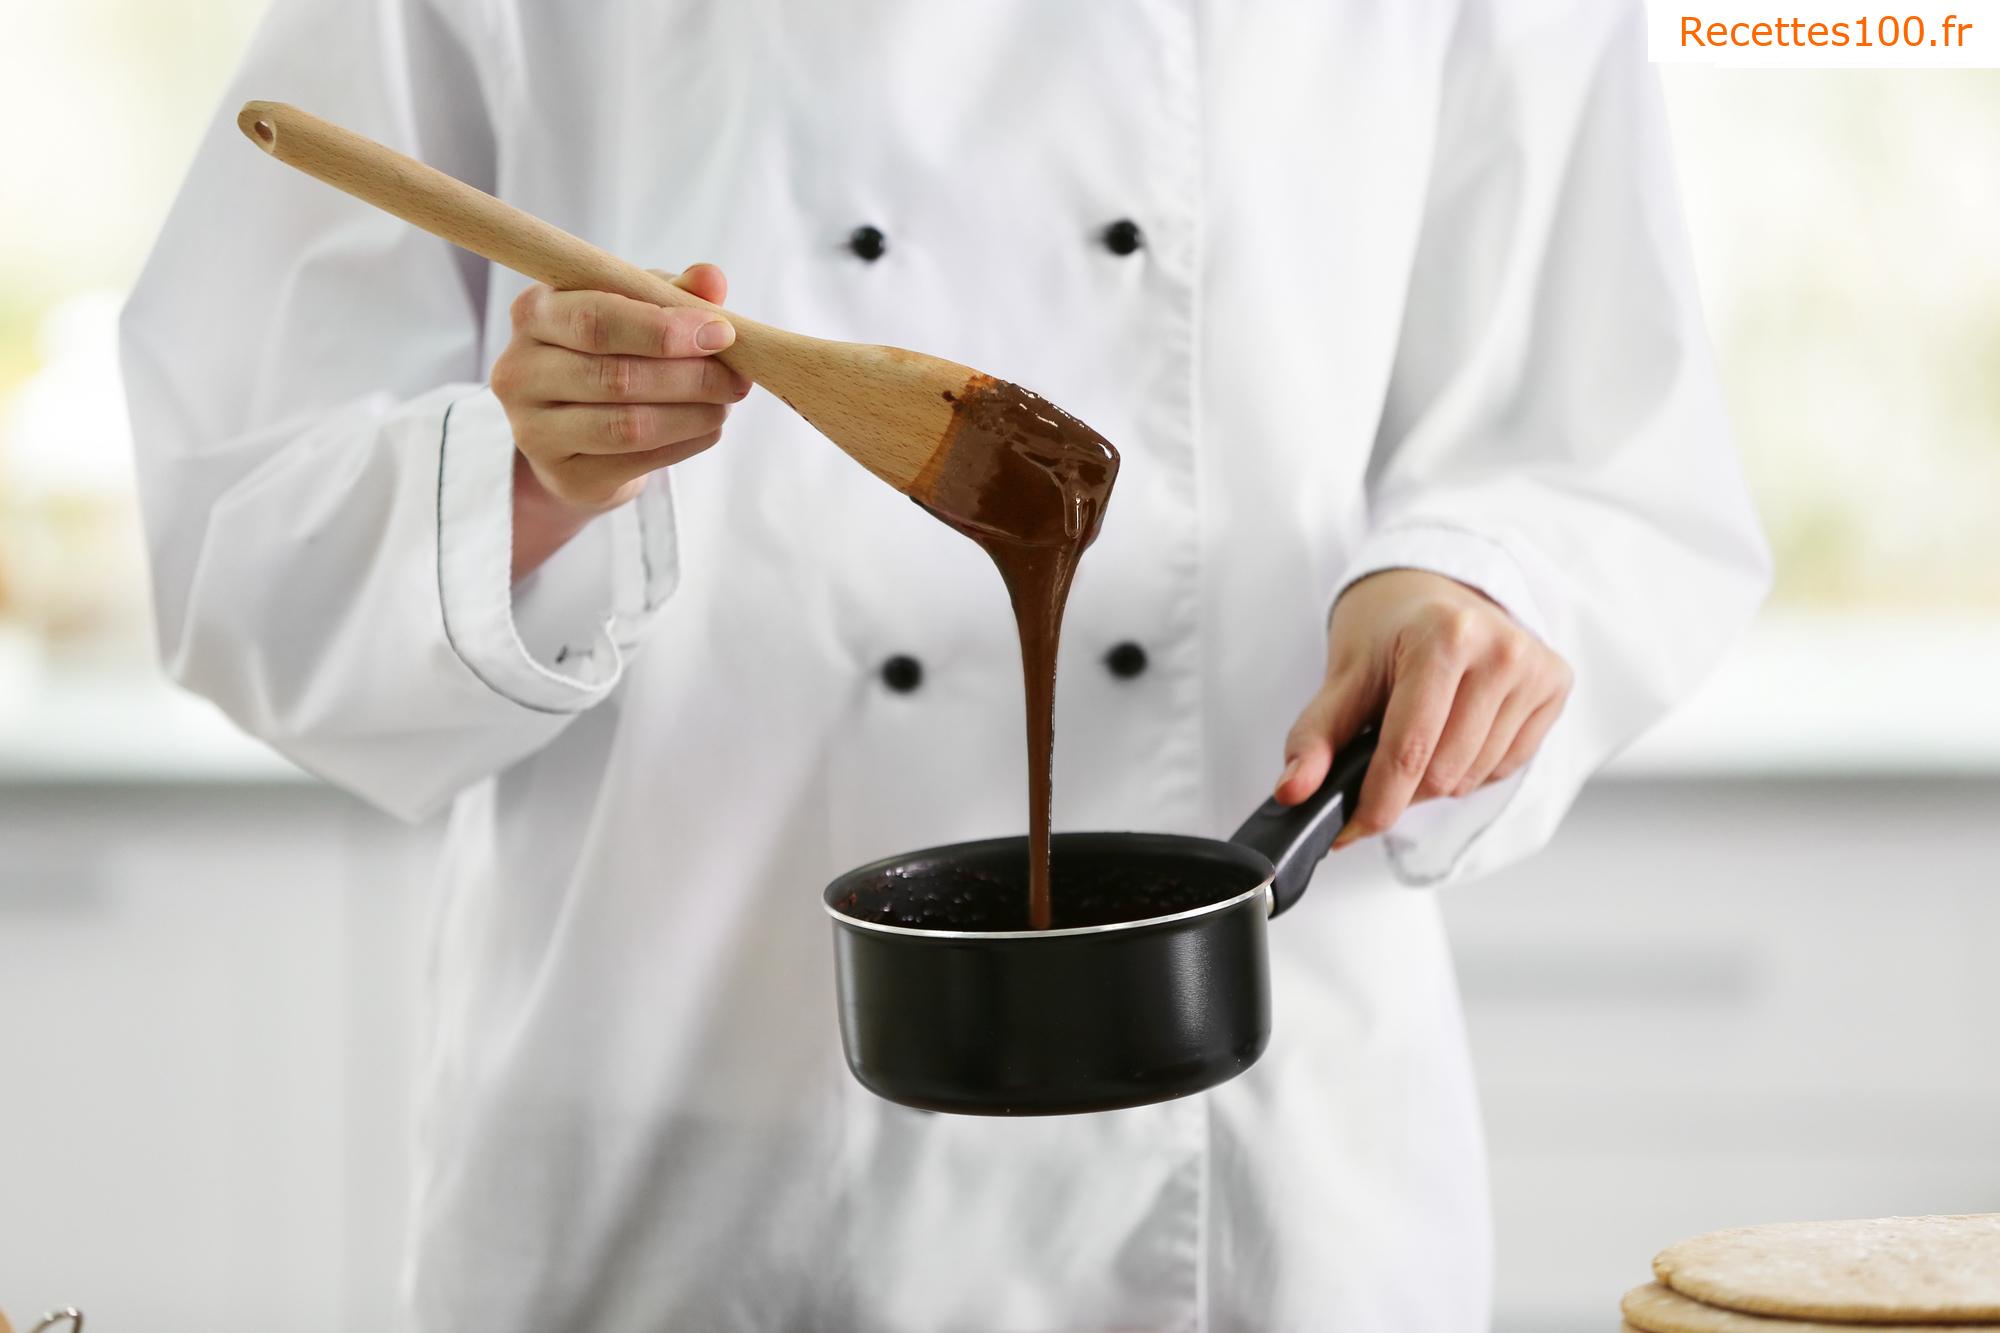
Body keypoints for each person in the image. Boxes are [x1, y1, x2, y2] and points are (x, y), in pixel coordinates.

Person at [122, 0, 1768, 1328]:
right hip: (684, 1149)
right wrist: (530, 471)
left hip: (1259, 1197)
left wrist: (1465, 582)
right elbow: (240, 523)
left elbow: (1595, 436)